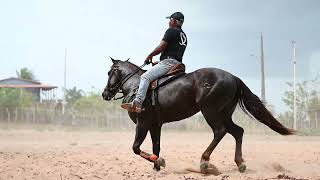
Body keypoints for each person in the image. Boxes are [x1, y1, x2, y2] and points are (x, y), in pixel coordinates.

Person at [121, 12, 188, 113]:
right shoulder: (184, 35)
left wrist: (150, 55)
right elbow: (173, 51)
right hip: (176, 63)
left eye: (170, 20)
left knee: (144, 77)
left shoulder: (171, 31)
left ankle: (137, 103)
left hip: (168, 63)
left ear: (173, 20)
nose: (169, 22)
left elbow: (161, 47)